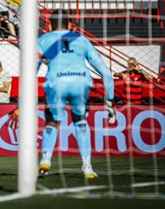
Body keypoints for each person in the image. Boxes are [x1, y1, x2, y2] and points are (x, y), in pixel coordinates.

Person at [36, 10, 115, 179]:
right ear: (70, 24)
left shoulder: (43, 40)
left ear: (49, 25)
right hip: (81, 82)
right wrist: (109, 99)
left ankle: (45, 161)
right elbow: (106, 73)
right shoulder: (82, 40)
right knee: (80, 121)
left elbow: (31, 68)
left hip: (56, 82)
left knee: (52, 122)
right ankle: (87, 167)